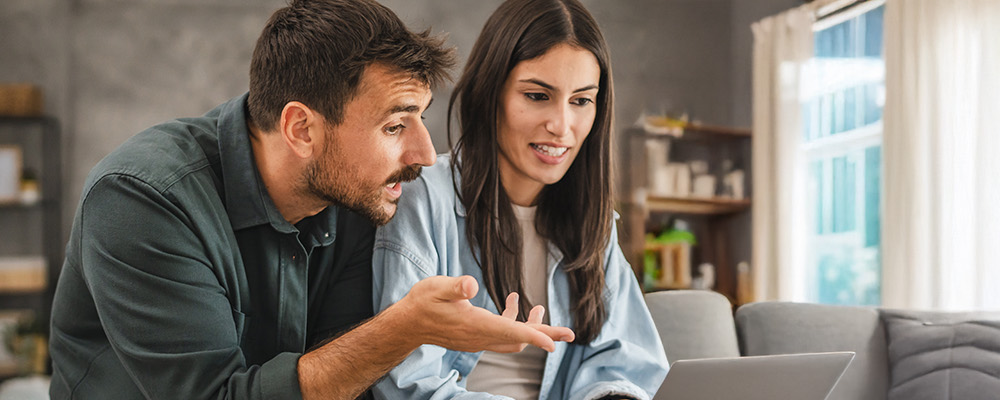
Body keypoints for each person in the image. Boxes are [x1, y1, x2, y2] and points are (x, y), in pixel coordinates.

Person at [48, 1, 573, 399]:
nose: (425, 153)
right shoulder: (142, 201)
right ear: (301, 128)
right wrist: (407, 327)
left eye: (421, 118)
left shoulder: (355, 200)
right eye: (395, 124)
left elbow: (343, 379)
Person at [371, 0, 669, 399]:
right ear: (491, 93)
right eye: (537, 96)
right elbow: (408, 384)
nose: (561, 126)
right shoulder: (422, 197)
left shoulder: (593, 223)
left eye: (581, 101)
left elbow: (624, 364)